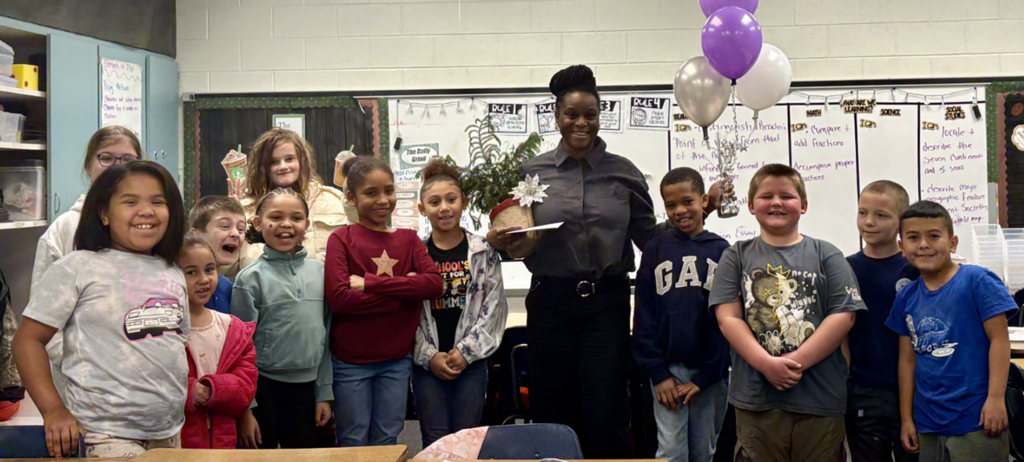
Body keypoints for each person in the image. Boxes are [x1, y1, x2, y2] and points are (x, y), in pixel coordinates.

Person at [485, 64, 726, 458]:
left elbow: (651, 239)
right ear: (557, 116)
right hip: (551, 301)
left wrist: (701, 213)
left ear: (600, 117)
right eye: (572, 114)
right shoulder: (532, 172)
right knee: (553, 404)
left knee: (608, 407)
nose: (581, 123)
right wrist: (499, 241)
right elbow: (519, 235)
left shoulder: (625, 174)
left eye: (590, 115)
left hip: (606, 303)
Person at [13, 161, 188, 458]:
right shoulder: (77, 267)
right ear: (105, 213)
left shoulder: (172, 272)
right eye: (130, 201)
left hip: (167, 431)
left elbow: (175, 345)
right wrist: (53, 409)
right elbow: (27, 340)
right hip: (101, 432)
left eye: (158, 201)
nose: (146, 211)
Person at [708, 163, 866, 462]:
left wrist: (793, 362)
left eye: (787, 196)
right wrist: (766, 364)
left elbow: (844, 316)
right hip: (757, 401)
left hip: (819, 400)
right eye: (767, 196)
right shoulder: (736, 255)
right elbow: (727, 317)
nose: (777, 202)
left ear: (803, 205)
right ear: (751, 205)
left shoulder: (826, 254)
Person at [325, 157, 443, 447]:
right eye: (371, 193)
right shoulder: (340, 239)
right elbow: (339, 299)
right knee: (352, 439)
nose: (383, 200)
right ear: (351, 197)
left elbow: (433, 284)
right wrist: (403, 296)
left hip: (396, 361)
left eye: (389, 191)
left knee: (387, 438)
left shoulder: (409, 239)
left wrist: (371, 284)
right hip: (351, 362)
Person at [886, 200, 1015, 462]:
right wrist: (907, 418)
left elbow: (1000, 341)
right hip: (928, 421)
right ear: (902, 247)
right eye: (913, 237)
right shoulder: (906, 297)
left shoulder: (977, 281)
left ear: (953, 242)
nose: (923, 244)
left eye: (934, 236)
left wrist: (995, 399)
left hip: (976, 418)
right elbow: (907, 360)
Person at [29, 125, 144, 399]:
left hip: (143, 378)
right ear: (89, 165)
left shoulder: (149, 225)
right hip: (80, 383)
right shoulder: (64, 230)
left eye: (127, 159)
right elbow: (42, 318)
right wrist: (79, 367)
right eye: (106, 158)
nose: (117, 167)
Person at [632, 167, 730, 462]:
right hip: (668, 374)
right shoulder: (655, 250)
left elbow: (726, 322)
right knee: (671, 451)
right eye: (671, 205)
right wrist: (659, 374)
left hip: (709, 376)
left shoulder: (722, 251)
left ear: (703, 201)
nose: (679, 211)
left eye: (687, 201)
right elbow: (644, 317)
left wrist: (706, 376)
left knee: (703, 451)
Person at [412, 158, 508, 448]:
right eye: (434, 202)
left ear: (463, 203)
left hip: (471, 362)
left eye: (451, 200)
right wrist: (429, 356)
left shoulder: (483, 251)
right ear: (422, 209)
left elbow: (493, 308)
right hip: (428, 364)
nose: (444, 208)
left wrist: (465, 352)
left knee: (467, 439)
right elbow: (408, 312)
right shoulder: (416, 253)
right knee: (434, 440)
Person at [231, 188, 333, 449]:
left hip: (307, 389)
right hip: (264, 389)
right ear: (258, 223)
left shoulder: (322, 273)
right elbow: (239, 348)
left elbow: (327, 337)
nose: (286, 225)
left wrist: (323, 394)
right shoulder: (249, 278)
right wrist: (247, 408)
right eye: (275, 217)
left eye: (296, 218)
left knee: (303, 455)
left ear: (307, 225)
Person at [844, 181, 920, 462]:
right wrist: (846, 388)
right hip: (865, 389)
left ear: (902, 221)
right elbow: (842, 335)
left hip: (915, 389)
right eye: (863, 213)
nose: (869, 222)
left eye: (881, 215)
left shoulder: (915, 268)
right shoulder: (845, 268)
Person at [178, 231, 257, 449]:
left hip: (224, 442)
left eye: (210, 270)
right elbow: (153, 380)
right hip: (179, 441)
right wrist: (189, 391)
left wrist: (213, 389)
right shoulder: (164, 329)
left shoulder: (233, 328)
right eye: (191, 272)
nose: (204, 280)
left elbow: (246, 386)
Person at [234, 128, 348, 276]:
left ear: (301, 161)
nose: (283, 167)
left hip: (322, 294)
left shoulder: (333, 201)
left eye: (289, 159)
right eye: (274, 162)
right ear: (263, 167)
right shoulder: (245, 210)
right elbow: (228, 270)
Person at [189, 195, 247, 313]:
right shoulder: (175, 282)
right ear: (195, 234)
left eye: (241, 229)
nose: (236, 234)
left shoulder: (227, 288)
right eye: (225, 226)